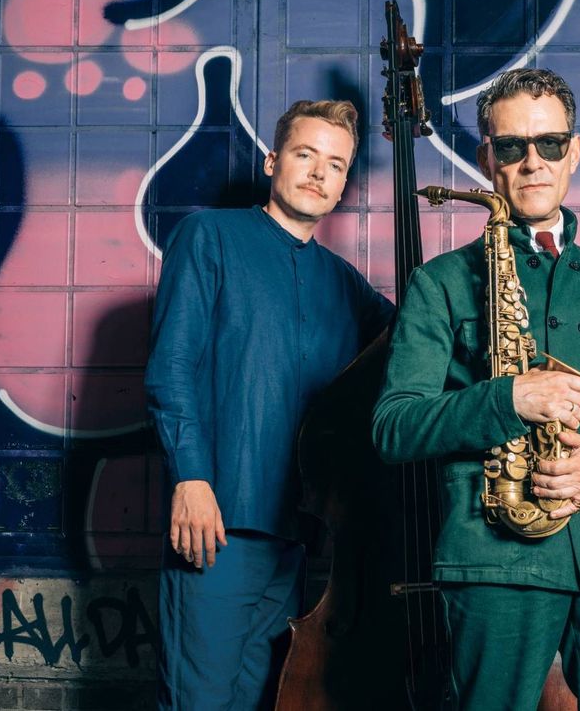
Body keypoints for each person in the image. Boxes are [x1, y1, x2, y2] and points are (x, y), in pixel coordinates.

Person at [372, 68, 580, 710]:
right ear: (488, 158)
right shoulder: (439, 282)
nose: (533, 162)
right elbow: (393, 426)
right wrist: (507, 400)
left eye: (550, 143)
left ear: (574, 151)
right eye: (511, 146)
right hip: (494, 552)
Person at [146, 100, 394, 710]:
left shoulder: (344, 282)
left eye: (335, 164)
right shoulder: (209, 236)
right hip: (216, 522)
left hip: (297, 535)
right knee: (200, 700)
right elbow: (171, 367)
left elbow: (416, 341)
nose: (318, 172)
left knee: (264, 700)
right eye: (305, 154)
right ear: (271, 161)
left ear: (344, 184)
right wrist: (191, 478)